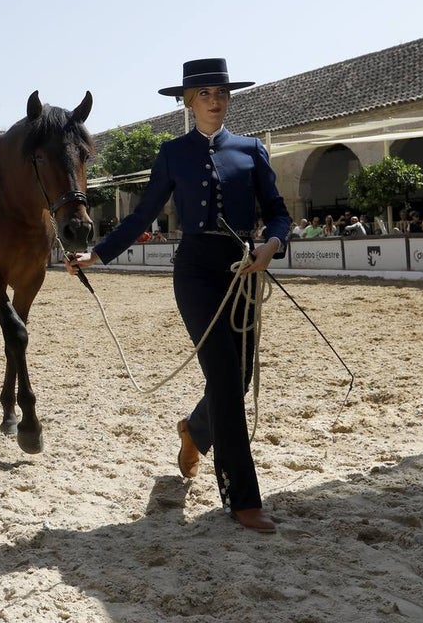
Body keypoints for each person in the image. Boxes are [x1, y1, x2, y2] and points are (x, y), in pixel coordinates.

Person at [66, 58, 290, 532]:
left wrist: (270, 247)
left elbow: (278, 214)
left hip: (244, 270)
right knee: (227, 378)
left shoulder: (252, 151)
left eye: (222, 92)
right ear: (188, 101)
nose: (215, 100)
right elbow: (142, 215)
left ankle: (193, 431)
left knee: (239, 376)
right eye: (205, 93)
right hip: (194, 273)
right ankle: (243, 499)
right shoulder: (171, 153)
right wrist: (99, 254)